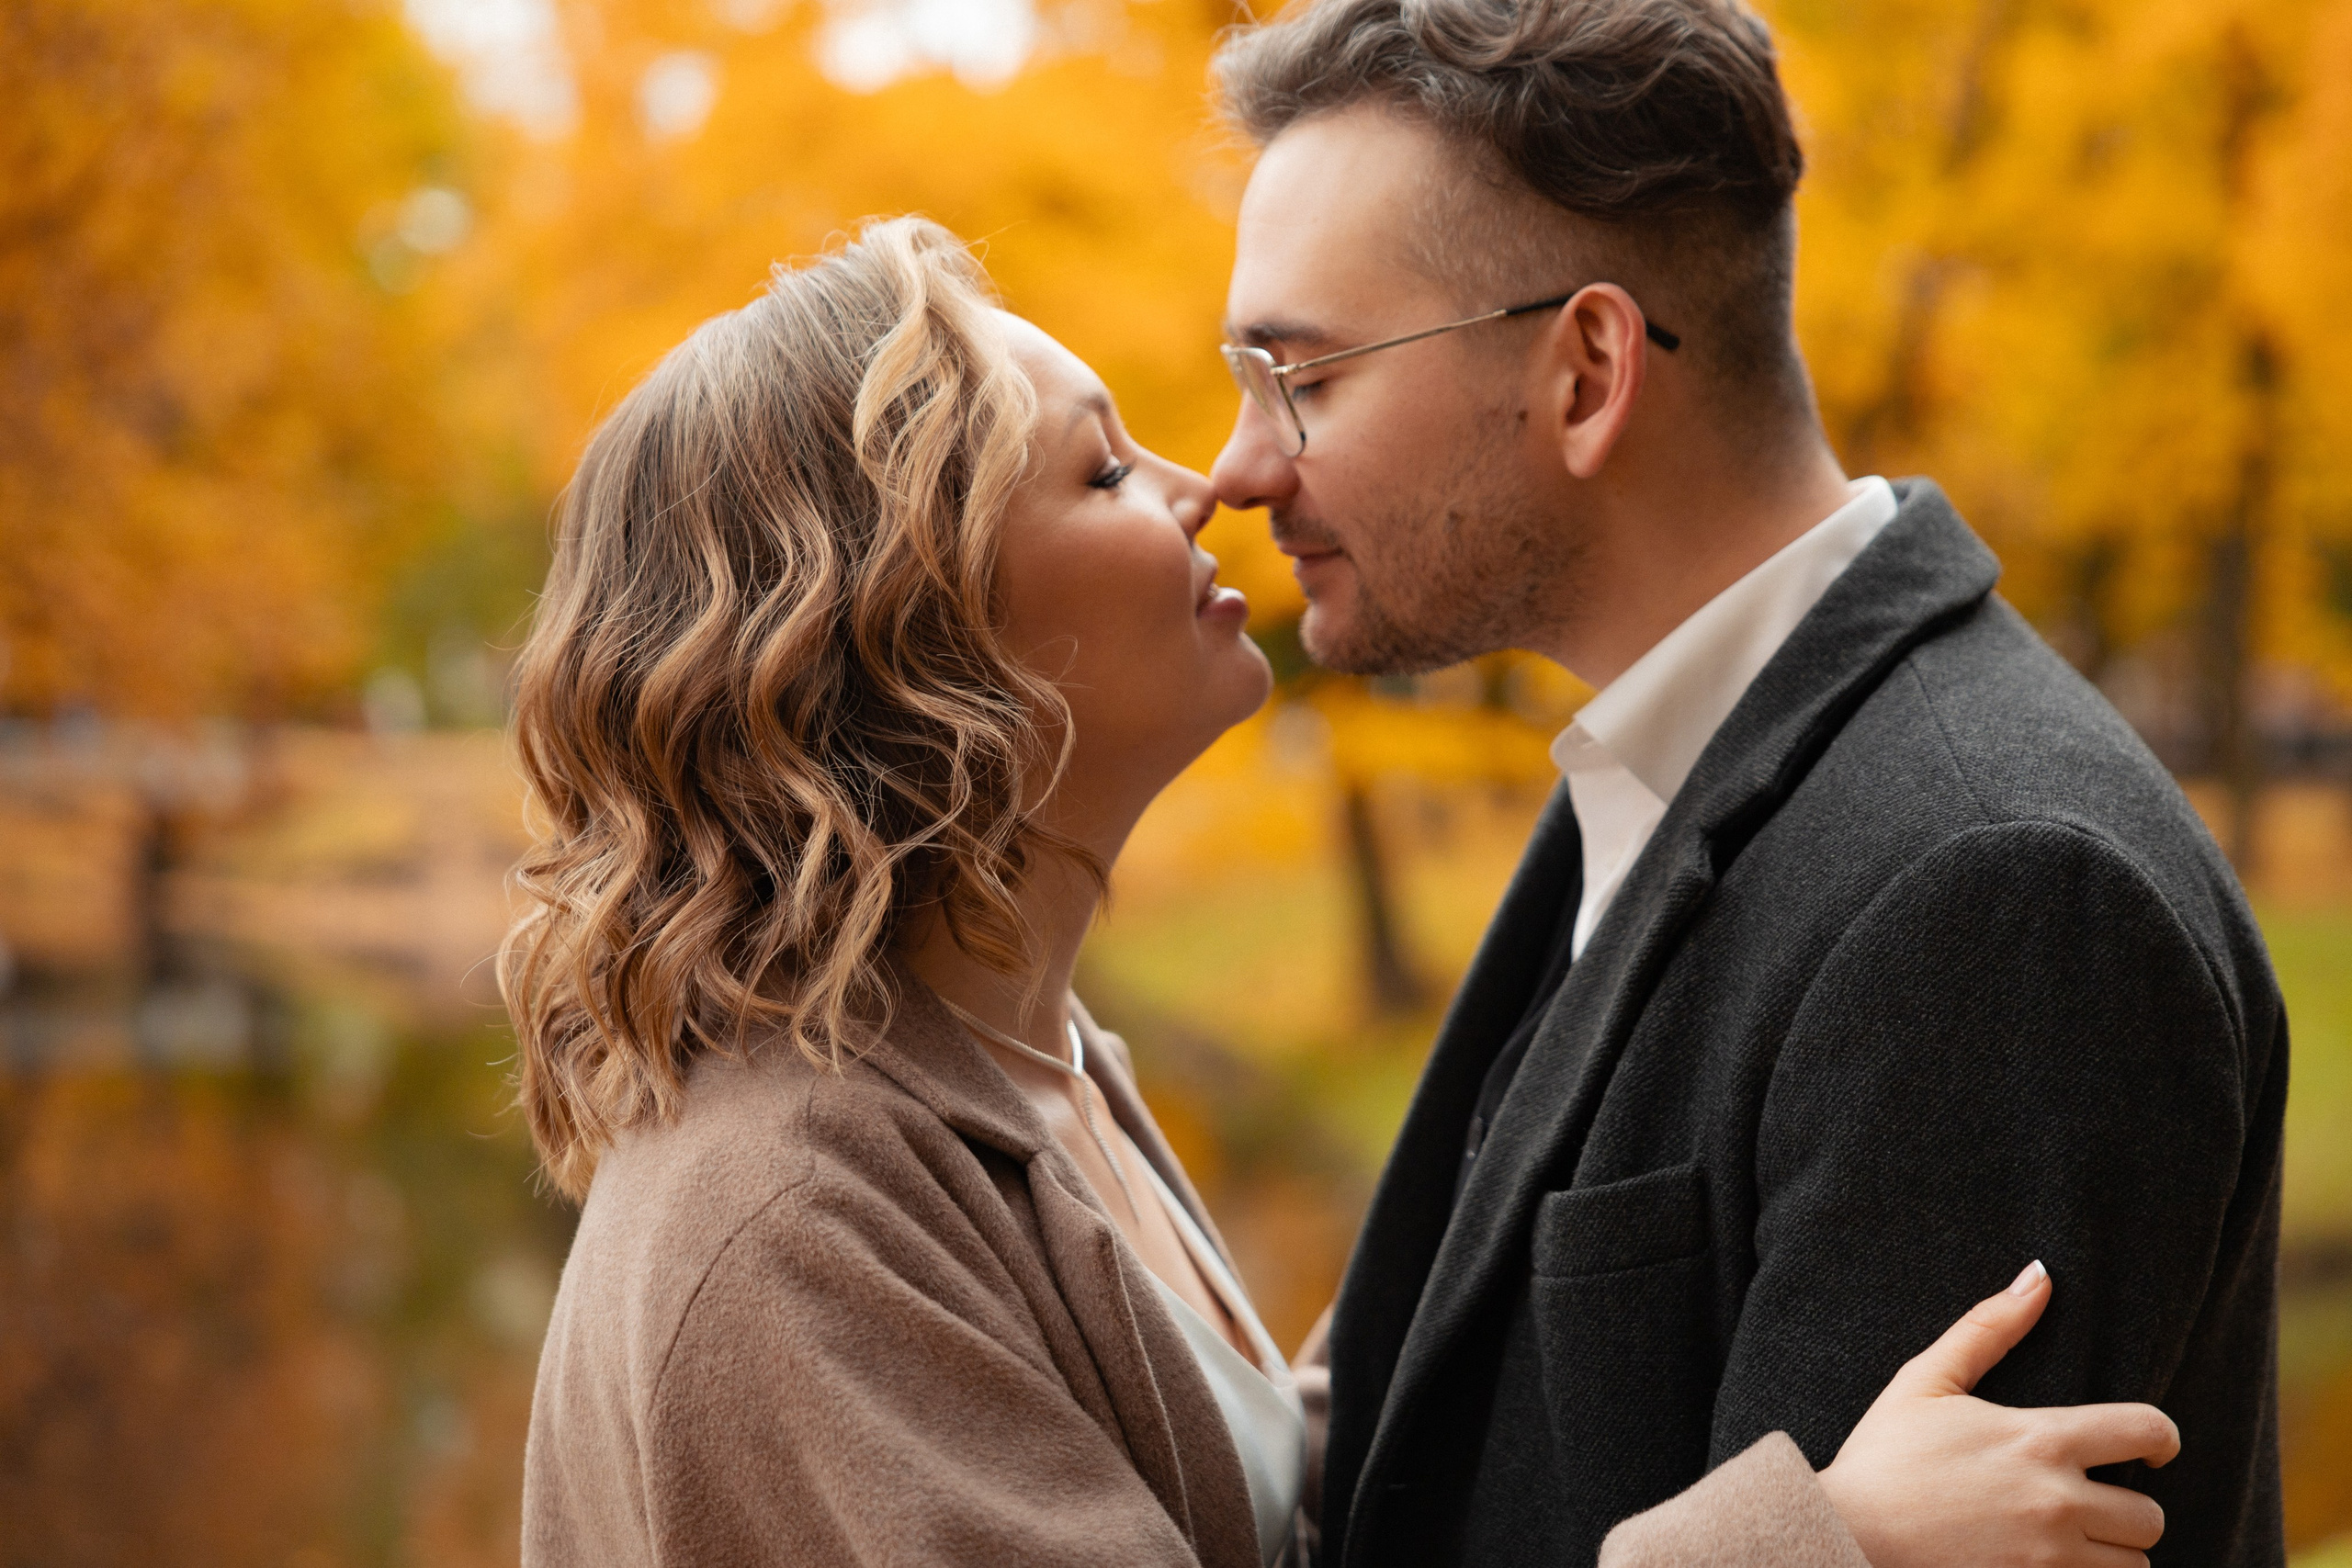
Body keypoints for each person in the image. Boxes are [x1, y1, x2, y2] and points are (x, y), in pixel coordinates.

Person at [510, 218, 2180, 1568]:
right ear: (913, 642)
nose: (1208, 487)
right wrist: (1820, 1547)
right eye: (1102, 474)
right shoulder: (788, 1214)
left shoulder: (1023, 1063)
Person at [1205, 1, 2288, 1564]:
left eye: (1303, 375)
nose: (1242, 464)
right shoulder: (1661, 774)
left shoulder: (1994, 897)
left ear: (1587, 371)